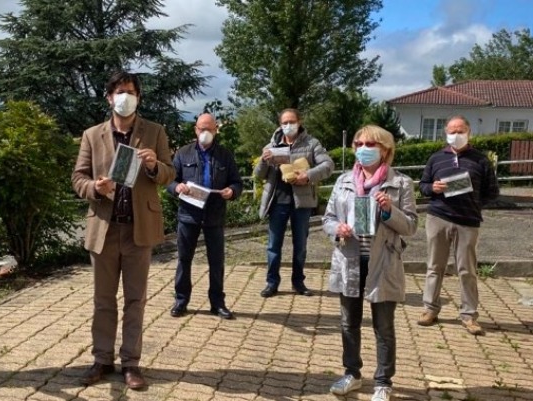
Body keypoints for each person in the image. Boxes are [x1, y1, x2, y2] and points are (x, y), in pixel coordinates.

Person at [71, 71, 175, 390]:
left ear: (138, 97)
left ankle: (131, 363)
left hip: (138, 230)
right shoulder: (92, 135)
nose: (125, 97)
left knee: (135, 300)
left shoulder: (154, 131)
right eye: (119, 91)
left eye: (130, 91)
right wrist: (95, 187)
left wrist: (154, 166)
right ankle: (102, 359)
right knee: (103, 300)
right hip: (104, 228)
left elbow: (169, 174)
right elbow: (78, 178)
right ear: (109, 97)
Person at [322, 125, 418, 401]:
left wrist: (389, 210)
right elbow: (328, 218)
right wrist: (337, 228)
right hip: (349, 259)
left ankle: (383, 382)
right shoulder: (343, 181)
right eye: (359, 144)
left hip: (383, 261)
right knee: (348, 323)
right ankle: (352, 374)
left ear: (385, 150)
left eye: (370, 144)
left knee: (383, 326)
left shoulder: (401, 183)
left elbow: (411, 226)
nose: (363, 149)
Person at [417, 116, 499, 335]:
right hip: (438, 217)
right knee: (435, 266)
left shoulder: (481, 160)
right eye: (452, 131)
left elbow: (492, 192)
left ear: (469, 132)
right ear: (446, 132)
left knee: (467, 270)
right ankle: (430, 309)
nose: (456, 135)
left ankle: (469, 315)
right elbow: (423, 185)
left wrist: (474, 203)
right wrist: (432, 188)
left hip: (468, 221)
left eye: (460, 131)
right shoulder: (436, 158)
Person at [166, 113, 243, 320]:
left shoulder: (225, 155)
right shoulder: (183, 153)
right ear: (195, 130)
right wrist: (177, 187)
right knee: (184, 259)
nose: (205, 133)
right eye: (202, 129)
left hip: (214, 215)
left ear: (216, 130)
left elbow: (237, 182)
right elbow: (169, 180)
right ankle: (181, 301)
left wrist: (232, 191)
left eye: (209, 129)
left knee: (216, 262)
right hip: (188, 215)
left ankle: (217, 303)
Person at [255, 108, 334, 297]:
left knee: (300, 246)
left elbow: (328, 165)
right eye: (285, 122)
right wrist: (264, 161)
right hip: (277, 201)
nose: (288, 125)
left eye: (292, 122)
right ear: (280, 124)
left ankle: (298, 282)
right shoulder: (272, 145)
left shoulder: (312, 143)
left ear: (299, 122)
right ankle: (272, 283)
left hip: (302, 203)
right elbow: (259, 175)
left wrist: (308, 175)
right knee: (273, 245)